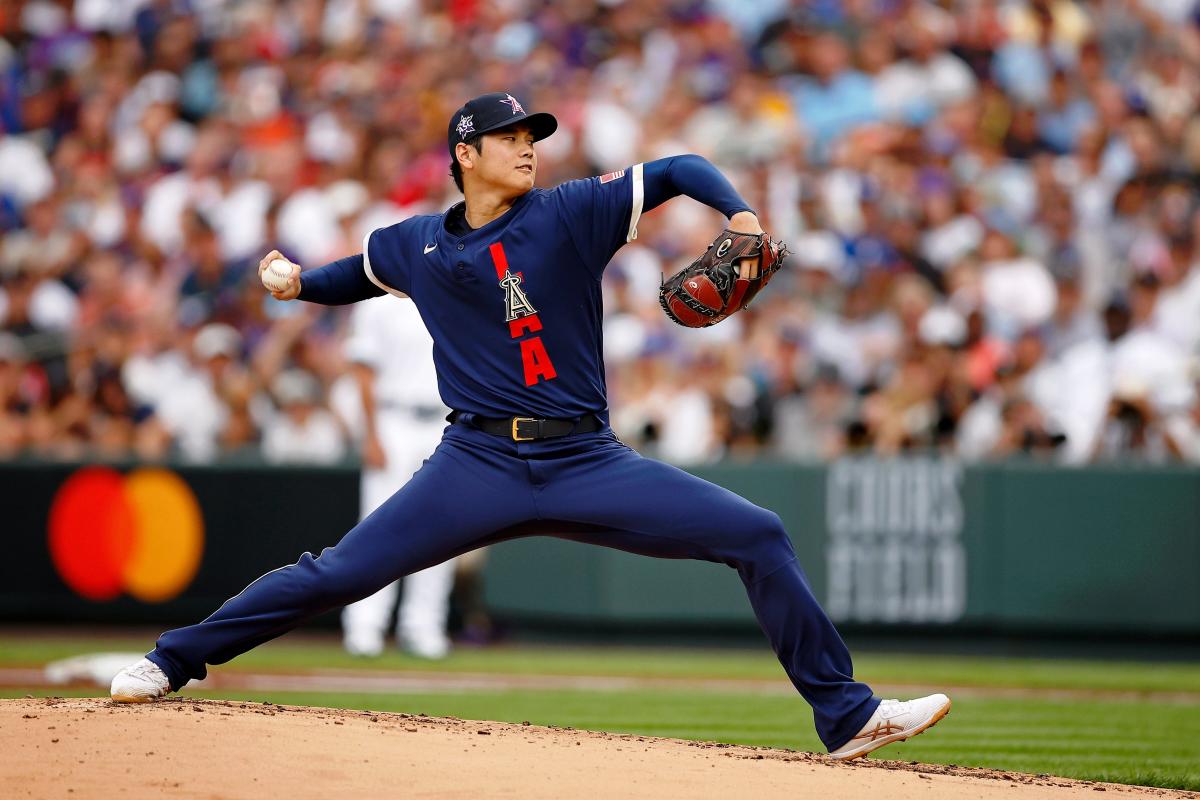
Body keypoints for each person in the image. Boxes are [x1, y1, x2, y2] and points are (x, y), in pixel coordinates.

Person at [111, 92, 950, 761]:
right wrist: (298, 283)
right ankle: (170, 659)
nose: (528, 146)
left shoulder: (572, 212)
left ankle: (846, 717)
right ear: (463, 156)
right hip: (474, 461)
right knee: (335, 575)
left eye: (533, 134)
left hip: (587, 458)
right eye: (508, 135)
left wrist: (739, 217)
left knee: (758, 535)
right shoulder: (413, 245)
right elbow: (355, 275)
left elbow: (682, 166)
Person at [337, 295, 456, 659]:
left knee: (444, 528)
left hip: (444, 419)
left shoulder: (450, 289)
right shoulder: (379, 304)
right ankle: (365, 624)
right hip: (393, 420)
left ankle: (424, 626)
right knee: (379, 523)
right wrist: (370, 433)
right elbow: (363, 372)